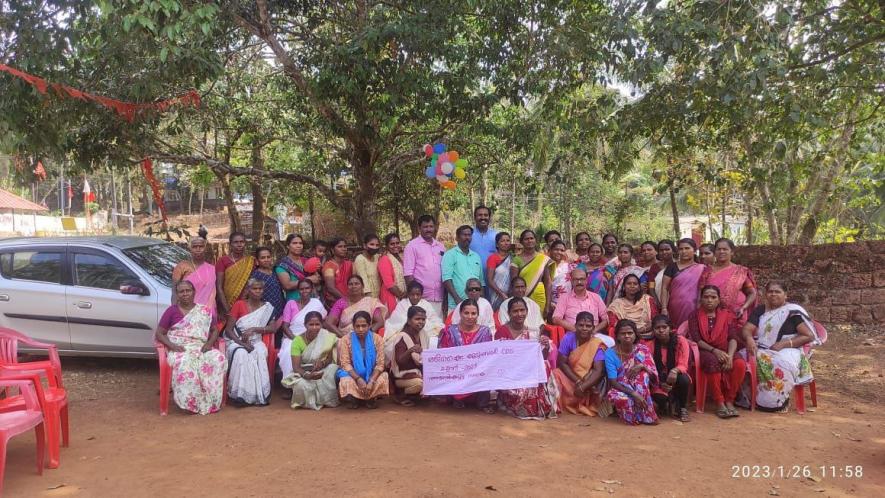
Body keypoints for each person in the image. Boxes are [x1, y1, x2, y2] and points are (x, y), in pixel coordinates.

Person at [742, 281, 819, 412]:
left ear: (785, 295)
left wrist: (784, 344)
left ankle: (776, 402)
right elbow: (747, 329)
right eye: (770, 292)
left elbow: (808, 336)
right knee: (741, 356)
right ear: (766, 295)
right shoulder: (760, 310)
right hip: (763, 347)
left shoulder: (792, 312)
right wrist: (749, 338)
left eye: (777, 291)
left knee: (780, 363)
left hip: (789, 349)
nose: (773, 294)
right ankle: (748, 398)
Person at [155, 280, 226, 415]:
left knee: (218, 358)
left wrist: (209, 343)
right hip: (180, 348)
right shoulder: (171, 311)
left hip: (201, 346)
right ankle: (190, 403)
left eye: (188, 290)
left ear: (194, 292)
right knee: (186, 364)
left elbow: (214, 330)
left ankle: (210, 400)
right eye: (181, 291)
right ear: (177, 294)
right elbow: (159, 333)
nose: (185, 294)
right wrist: (172, 346)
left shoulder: (204, 310)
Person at [686, 286, 747, 418]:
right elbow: (697, 339)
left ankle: (730, 400)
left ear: (719, 300)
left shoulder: (726, 315)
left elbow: (733, 338)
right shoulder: (694, 315)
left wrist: (730, 356)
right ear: (701, 299)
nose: (709, 300)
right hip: (705, 350)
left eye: (713, 297)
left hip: (726, 349)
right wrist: (715, 351)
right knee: (712, 362)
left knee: (740, 364)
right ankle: (719, 402)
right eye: (706, 297)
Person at [494, 298, 560, 420]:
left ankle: (543, 403)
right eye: (515, 311)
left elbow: (541, 357)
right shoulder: (502, 332)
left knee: (545, 365)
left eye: (522, 310)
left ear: (527, 311)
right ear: (509, 313)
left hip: (528, 372)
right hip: (510, 374)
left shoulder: (532, 332)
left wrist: (544, 345)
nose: (519, 314)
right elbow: (500, 360)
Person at [437, 299, 495, 413]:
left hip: (476, 374)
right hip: (456, 372)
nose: (470, 316)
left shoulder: (485, 332)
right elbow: (442, 356)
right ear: (460, 314)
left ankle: (482, 403)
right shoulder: (449, 331)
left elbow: (487, 357)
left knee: (487, 371)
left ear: (478, 315)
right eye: (466, 313)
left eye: (473, 313)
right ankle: (456, 398)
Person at [224, 278, 276, 406]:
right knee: (241, 354)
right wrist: (243, 344)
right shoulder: (239, 304)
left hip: (256, 340)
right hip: (237, 340)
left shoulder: (267, 308)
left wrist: (254, 329)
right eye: (254, 288)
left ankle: (261, 394)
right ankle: (240, 395)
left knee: (260, 352)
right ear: (248, 290)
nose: (258, 291)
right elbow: (229, 330)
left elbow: (273, 328)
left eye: (260, 289)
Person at [551, 312, 607, 417]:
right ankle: (557, 406)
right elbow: (562, 363)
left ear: (593, 328)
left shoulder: (597, 344)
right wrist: (578, 381)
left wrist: (583, 387)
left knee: (598, 379)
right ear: (575, 326)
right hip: (571, 376)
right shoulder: (568, 338)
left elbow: (598, 370)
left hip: (589, 381)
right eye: (581, 325)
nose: (584, 328)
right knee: (555, 373)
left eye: (588, 326)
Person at [280, 311, 340, 410]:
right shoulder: (297, 341)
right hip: (305, 371)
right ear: (305, 325)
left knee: (333, 368)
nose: (314, 327)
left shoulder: (327, 337)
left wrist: (322, 363)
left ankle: (325, 399)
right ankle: (313, 401)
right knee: (300, 385)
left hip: (322, 370)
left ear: (322, 324)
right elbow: (296, 367)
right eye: (311, 324)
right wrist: (308, 375)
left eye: (317, 324)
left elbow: (329, 359)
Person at [605, 319, 660, 425]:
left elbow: (653, 375)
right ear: (617, 336)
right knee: (621, 398)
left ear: (635, 335)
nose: (627, 336)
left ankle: (646, 414)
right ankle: (642, 412)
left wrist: (642, 366)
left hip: (642, 389)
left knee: (643, 375)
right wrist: (634, 394)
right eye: (623, 333)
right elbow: (613, 382)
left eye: (630, 333)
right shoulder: (610, 353)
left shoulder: (643, 350)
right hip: (622, 389)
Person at [336, 311, 389, 409]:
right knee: (345, 379)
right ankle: (355, 398)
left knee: (383, 376)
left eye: (364, 326)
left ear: (369, 325)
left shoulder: (377, 339)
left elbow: (380, 364)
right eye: (357, 326)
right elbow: (345, 363)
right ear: (353, 326)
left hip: (372, 374)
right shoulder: (346, 340)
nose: (360, 329)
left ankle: (371, 398)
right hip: (353, 374)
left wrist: (372, 380)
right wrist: (358, 379)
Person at [279, 279, 328, 378]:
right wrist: (297, 339)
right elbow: (285, 326)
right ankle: (291, 380)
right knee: (289, 351)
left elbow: (323, 322)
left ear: (312, 289)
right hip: (292, 337)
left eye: (307, 288)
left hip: (313, 337)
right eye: (301, 289)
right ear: (298, 290)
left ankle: (312, 378)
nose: (304, 291)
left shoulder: (316, 303)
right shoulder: (291, 304)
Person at [700, 238, 757, 323]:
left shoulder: (740, 271)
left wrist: (743, 308)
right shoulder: (707, 271)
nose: (721, 251)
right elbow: (700, 294)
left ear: (732, 252)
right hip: (712, 316)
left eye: (725, 249)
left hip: (737, 315)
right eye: (719, 249)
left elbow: (752, 293)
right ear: (715, 252)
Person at [551, 268, 612, 347]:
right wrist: (576, 329)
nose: (579, 282)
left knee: (610, 343)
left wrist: (594, 330)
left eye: (582, 279)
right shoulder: (564, 298)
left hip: (593, 335)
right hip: (573, 336)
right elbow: (556, 318)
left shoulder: (596, 297)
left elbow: (606, 319)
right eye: (576, 279)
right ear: (571, 281)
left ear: (586, 280)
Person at [403, 215, 446, 318]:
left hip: (439, 297)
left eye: (431, 226)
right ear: (419, 228)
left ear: (435, 227)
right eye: (425, 227)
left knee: (437, 328)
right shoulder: (412, 246)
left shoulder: (440, 246)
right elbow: (408, 274)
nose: (428, 229)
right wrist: (415, 297)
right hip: (421, 298)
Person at [649, 315, 691, 422]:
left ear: (670, 328)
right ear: (653, 330)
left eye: (664, 327)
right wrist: (660, 383)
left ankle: (682, 408)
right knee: (660, 399)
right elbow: (650, 368)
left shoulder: (680, 341)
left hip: (676, 377)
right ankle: (667, 403)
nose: (661, 330)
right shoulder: (650, 345)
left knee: (684, 379)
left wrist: (674, 371)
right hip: (658, 381)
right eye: (657, 328)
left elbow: (683, 364)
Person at [384, 281, 445, 353]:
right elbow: (396, 321)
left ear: (421, 295)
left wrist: (425, 323)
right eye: (412, 294)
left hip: (426, 332)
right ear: (408, 294)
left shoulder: (426, 304)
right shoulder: (402, 304)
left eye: (418, 294)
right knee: (392, 343)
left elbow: (435, 320)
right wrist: (414, 323)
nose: (415, 297)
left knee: (435, 339)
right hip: (404, 331)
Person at [660, 238, 705, 328]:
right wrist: (664, 308)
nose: (684, 251)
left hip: (694, 306)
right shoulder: (672, 267)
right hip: (674, 307)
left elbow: (703, 289)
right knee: (676, 332)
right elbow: (664, 287)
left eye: (687, 248)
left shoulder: (702, 268)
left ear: (694, 250)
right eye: (681, 249)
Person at [389, 306, 427, 406]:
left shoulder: (423, 334)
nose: (421, 322)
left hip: (418, 373)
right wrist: (410, 351)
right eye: (417, 319)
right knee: (420, 384)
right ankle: (400, 395)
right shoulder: (402, 336)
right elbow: (399, 361)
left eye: (423, 319)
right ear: (409, 321)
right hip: (401, 377)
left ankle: (415, 395)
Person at [172, 236, 217, 318]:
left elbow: (213, 294)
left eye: (201, 246)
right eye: (194, 247)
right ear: (190, 249)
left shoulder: (212, 269)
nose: (198, 249)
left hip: (208, 314)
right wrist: (174, 313)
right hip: (187, 313)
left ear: (205, 248)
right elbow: (175, 293)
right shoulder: (181, 267)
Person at [442, 225, 483, 312]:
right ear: (457, 238)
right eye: (464, 235)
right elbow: (446, 279)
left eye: (469, 235)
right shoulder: (450, 255)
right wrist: (457, 299)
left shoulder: (476, 256)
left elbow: (481, 281)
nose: (467, 237)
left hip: (475, 306)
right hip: (456, 305)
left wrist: (481, 301)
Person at [510, 229, 552, 315]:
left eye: (531, 238)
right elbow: (513, 282)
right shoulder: (516, 260)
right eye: (526, 239)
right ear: (521, 241)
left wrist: (548, 305)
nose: (529, 241)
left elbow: (548, 283)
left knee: (539, 324)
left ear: (536, 240)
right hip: (522, 296)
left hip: (539, 296)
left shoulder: (543, 259)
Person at [216, 231, 255, 320]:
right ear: (230, 244)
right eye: (236, 242)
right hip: (225, 304)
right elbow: (219, 287)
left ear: (245, 243)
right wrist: (227, 310)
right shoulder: (223, 261)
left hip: (245, 304)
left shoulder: (251, 261)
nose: (239, 245)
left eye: (242, 242)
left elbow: (251, 284)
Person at [607, 274, 658, 341]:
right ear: (624, 287)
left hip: (648, 336)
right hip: (625, 338)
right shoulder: (616, 304)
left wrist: (640, 330)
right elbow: (614, 324)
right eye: (629, 283)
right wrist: (632, 333)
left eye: (635, 284)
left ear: (639, 287)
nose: (632, 286)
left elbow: (655, 320)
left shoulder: (647, 300)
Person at [250, 246, 286, 320]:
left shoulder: (274, 271)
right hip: (265, 313)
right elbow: (252, 295)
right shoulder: (256, 275)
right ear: (257, 260)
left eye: (268, 257)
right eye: (263, 258)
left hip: (280, 310)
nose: (266, 260)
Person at [378, 233, 406, 317]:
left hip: (402, 294)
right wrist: (402, 296)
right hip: (391, 295)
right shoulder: (384, 259)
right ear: (387, 246)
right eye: (392, 244)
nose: (395, 246)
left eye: (397, 243)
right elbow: (389, 284)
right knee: (393, 321)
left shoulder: (401, 257)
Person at [276, 234, 309, 301]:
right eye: (294, 243)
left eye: (300, 243)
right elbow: (287, 285)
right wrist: (309, 279)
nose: (298, 246)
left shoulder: (306, 261)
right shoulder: (283, 265)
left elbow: (317, 278)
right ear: (288, 246)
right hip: (294, 302)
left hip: (311, 300)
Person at [322, 238, 353, 307]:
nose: (344, 249)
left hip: (349, 301)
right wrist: (346, 301)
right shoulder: (329, 266)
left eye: (345, 246)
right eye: (340, 246)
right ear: (332, 250)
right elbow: (330, 288)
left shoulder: (349, 264)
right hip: (335, 303)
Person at [486, 232, 512, 310]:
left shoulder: (513, 258)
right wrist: (502, 294)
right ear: (497, 244)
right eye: (502, 241)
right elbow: (490, 280)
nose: (506, 243)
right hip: (496, 294)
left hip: (510, 293)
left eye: (508, 240)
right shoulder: (493, 258)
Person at [353, 233, 383, 298]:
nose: (374, 247)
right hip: (367, 296)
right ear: (364, 245)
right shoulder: (360, 259)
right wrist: (369, 299)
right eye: (372, 244)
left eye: (377, 245)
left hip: (379, 295)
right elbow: (363, 280)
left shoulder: (377, 257)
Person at [469, 205, 498, 269]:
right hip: (472, 276)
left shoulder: (496, 235)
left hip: (492, 277)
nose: (483, 217)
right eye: (480, 215)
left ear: (489, 217)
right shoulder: (468, 235)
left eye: (486, 215)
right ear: (475, 217)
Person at [548, 240, 573, 312]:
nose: (559, 252)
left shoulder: (570, 266)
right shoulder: (546, 266)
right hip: (551, 304)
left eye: (562, 250)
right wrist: (549, 303)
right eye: (556, 249)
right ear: (551, 250)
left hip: (568, 304)